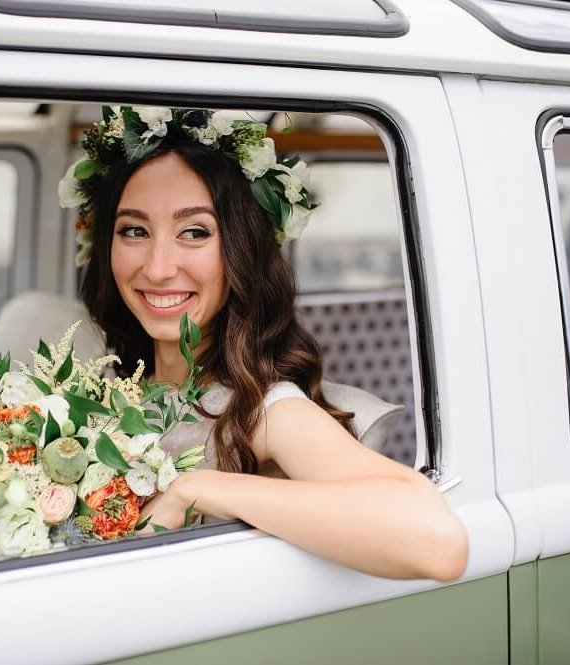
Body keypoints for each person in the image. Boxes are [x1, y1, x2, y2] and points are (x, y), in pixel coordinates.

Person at [59, 106, 468, 582]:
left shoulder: (263, 412)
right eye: (134, 231)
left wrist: (198, 489)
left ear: (241, 250)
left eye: (195, 232)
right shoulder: (106, 390)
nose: (157, 267)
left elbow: (439, 543)